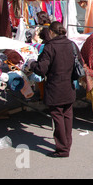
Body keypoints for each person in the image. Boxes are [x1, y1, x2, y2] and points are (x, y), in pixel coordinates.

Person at [29, 21, 80, 158]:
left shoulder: (49, 47)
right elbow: (79, 62)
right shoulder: (72, 45)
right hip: (69, 87)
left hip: (55, 88)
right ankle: (66, 144)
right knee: (67, 116)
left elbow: (41, 70)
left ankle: (62, 148)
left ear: (51, 32)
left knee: (58, 117)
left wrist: (32, 63)